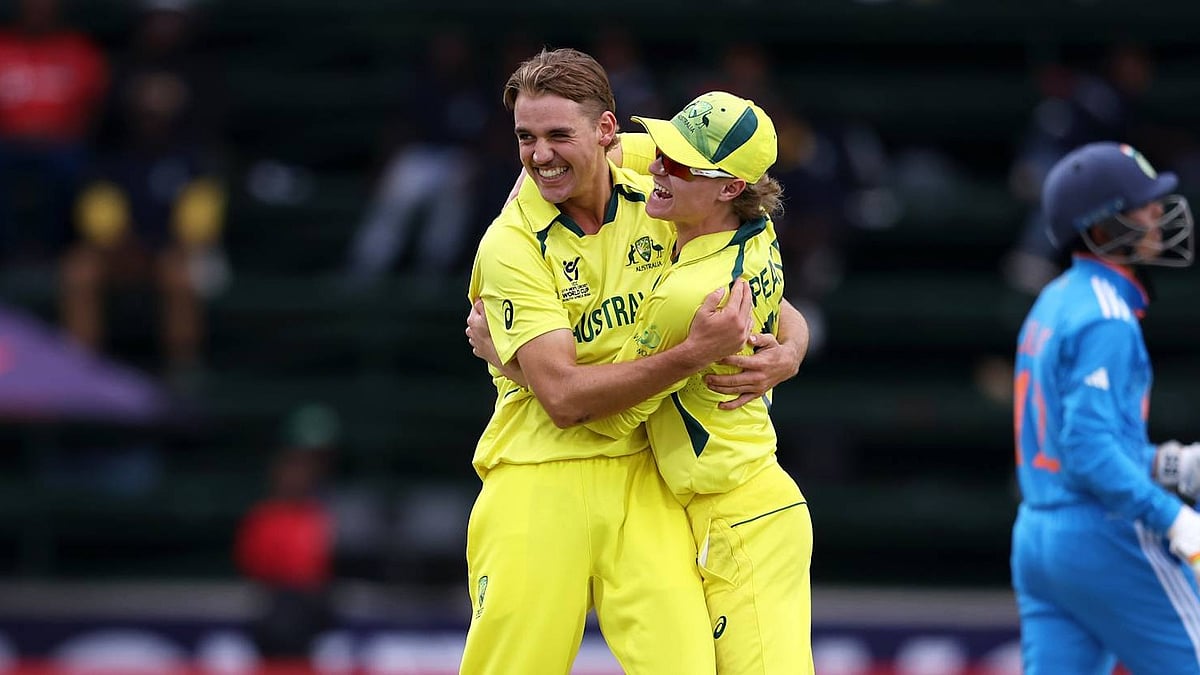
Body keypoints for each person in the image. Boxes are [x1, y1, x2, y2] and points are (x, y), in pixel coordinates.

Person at [462, 48, 806, 675]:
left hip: (646, 476)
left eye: (558, 134)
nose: (540, 155)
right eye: (525, 137)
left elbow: (747, 260)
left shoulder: (661, 185)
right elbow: (565, 402)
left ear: (608, 133)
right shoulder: (510, 245)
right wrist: (691, 356)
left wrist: (790, 347)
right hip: (537, 475)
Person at [1011, 141, 1200, 674]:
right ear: (1101, 227)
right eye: (1143, 204)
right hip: (1102, 533)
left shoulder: (1056, 297)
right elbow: (1089, 451)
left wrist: (1170, 464)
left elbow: (1075, 442)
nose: (1159, 213)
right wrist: (1177, 518)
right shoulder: (1109, 317)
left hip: (1038, 534)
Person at [0, 0, 107, 263]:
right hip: (6, 143)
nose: (39, 9)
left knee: (81, 170)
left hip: (62, 144)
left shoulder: (78, 50)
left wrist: (56, 133)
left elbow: (94, 109)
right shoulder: (3, 46)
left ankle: (63, 253)